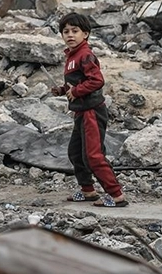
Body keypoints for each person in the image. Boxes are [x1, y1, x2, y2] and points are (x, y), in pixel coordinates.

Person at [50, 12, 128, 207]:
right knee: (75, 153)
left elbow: (97, 80)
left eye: (75, 31)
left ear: (85, 34)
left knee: (93, 155)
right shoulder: (72, 56)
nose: (70, 35)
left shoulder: (85, 55)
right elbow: (78, 80)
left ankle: (116, 194)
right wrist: (63, 90)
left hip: (91, 112)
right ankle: (88, 190)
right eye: (66, 31)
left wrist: (76, 91)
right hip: (81, 112)